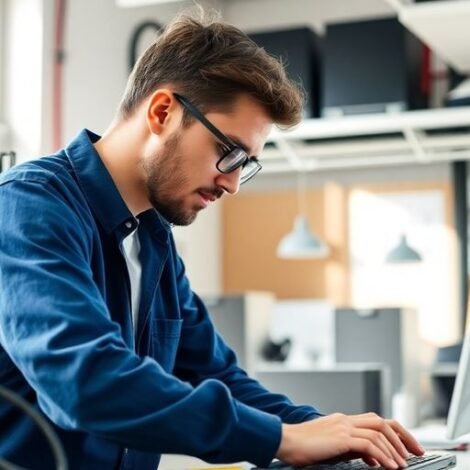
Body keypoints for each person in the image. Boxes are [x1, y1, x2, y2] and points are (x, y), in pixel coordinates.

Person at [0, 9, 424, 470]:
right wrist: (281, 439)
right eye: (229, 153)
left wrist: (335, 434)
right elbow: (85, 383)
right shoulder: (28, 208)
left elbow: (217, 375)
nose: (233, 184)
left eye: (247, 164)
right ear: (163, 112)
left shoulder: (154, 240)